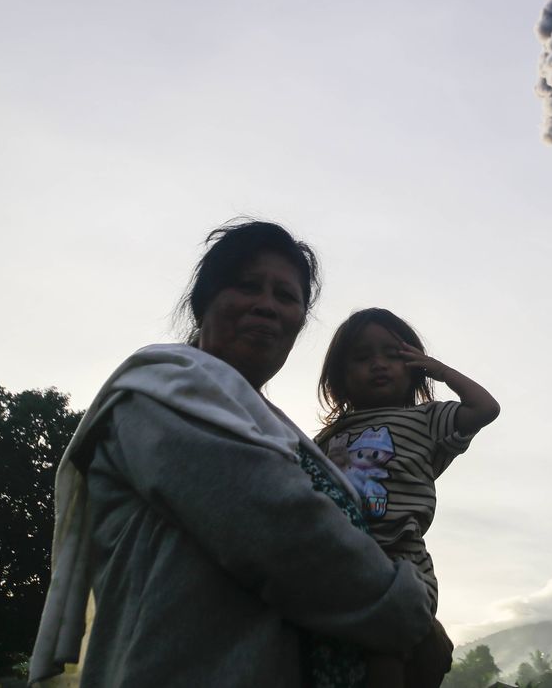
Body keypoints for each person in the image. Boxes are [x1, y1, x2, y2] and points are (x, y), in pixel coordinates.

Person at [29, 221, 447, 688]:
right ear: (203, 301)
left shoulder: (285, 432)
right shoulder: (160, 393)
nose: (266, 305)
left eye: (286, 297)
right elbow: (283, 529)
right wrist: (410, 619)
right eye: (247, 286)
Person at [315, 308, 501, 688]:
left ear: (413, 367)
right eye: (363, 358)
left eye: (392, 355)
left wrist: (440, 370)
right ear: (340, 379)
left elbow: (485, 408)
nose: (378, 365)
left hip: (401, 562)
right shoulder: (326, 438)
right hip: (339, 561)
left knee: (387, 644)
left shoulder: (426, 419)